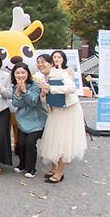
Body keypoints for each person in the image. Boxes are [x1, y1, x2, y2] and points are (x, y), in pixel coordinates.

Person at [36, 53, 87, 184]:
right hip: (55, 111)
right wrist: (43, 94)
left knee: (64, 141)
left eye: (43, 62)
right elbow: (43, 100)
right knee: (53, 139)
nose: (41, 65)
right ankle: (53, 168)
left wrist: (51, 88)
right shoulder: (41, 78)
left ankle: (59, 172)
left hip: (68, 110)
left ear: (51, 63)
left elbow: (71, 88)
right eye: (38, 62)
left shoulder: (61, 73)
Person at [10, 63, 49, 178]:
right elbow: (17, 104)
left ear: (28, 74)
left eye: (23, 72)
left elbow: (33, 102)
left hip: (36, 120)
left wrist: (24, 90)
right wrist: (18, 92)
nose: (20, 75)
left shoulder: (35, 85)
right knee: (20, 144)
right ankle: (22, 164)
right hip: (22, 120)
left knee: (30, 143)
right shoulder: (14, 86)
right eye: (17, 73)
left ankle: (31, 168)